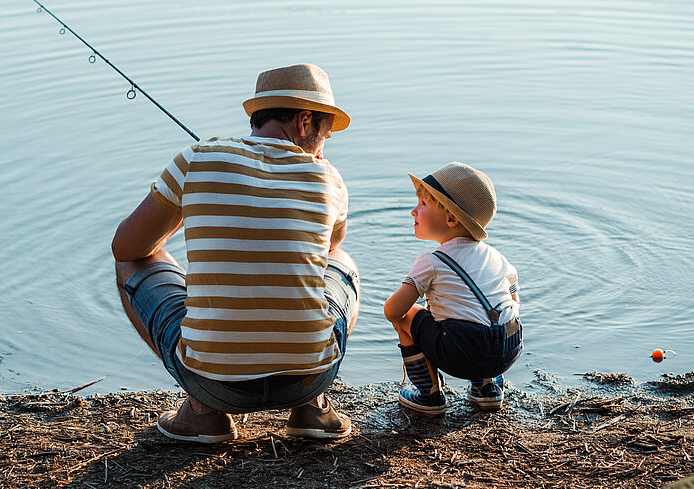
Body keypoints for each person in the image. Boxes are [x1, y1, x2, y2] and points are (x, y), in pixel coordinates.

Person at [112, 63, 360, 443]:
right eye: (325, 133)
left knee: (133, 263)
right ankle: (313, 408)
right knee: (345, 265)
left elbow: (126, 247)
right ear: (306, 121)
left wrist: (191, 209)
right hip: (308, 378)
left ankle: (202, 411)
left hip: (215, 384)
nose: (324, 146)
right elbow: (329, 250)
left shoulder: (195, 159)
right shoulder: (330, 179)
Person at [383, 162, 522, 415]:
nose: (413, 211)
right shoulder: (497, 257)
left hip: (463, 353)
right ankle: (487, 388)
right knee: (488, 314)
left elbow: (393, 310)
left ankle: (429, 395)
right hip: (510, 347)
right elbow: (513, 299)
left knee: (408, 316)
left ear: (450, 218)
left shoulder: (430, 262)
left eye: (422, 205)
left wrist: (419, 315)